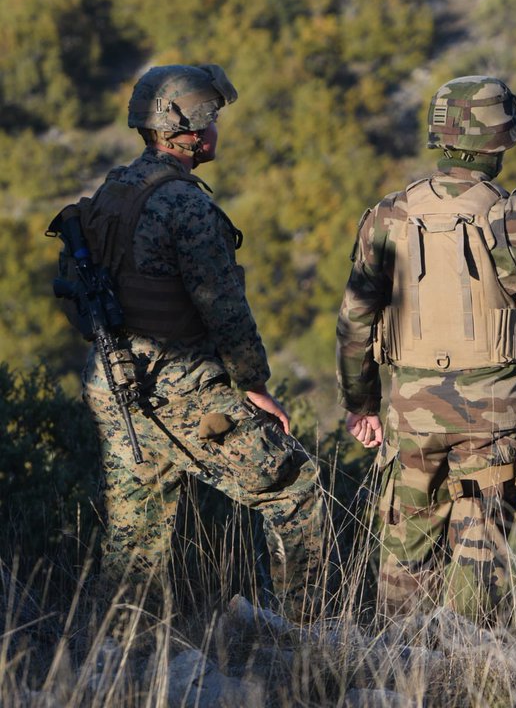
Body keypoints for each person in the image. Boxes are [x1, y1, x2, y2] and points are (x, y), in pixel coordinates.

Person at [336, 75, 516, 621]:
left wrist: (361, 405)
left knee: (405, 560)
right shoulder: (515, 215)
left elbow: (354, 321)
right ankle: (472, 673)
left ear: (439, 134)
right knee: (481, 561)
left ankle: (398, 676)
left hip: (412, 414)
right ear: (503, 138)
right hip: (496, 415)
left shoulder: (388, 216)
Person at [57, 64, 329, 620]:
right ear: (196, 129)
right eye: (216, 118)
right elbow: (224, 307)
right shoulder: (187, 205)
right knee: (295, 485)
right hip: (178, 385)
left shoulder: (113, 190)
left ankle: (120, 653)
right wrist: (253, 385)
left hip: (113, 378)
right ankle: (308, 640)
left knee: (137, 534)